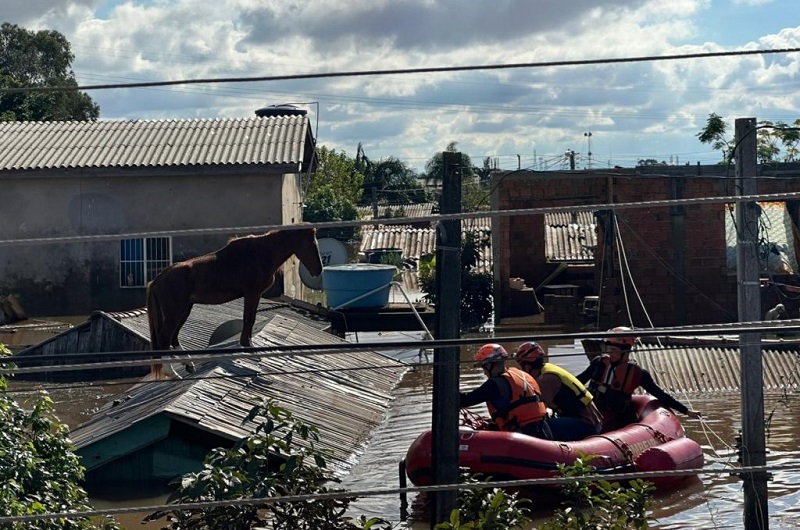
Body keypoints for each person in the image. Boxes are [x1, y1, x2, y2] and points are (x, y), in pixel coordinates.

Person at [576, 326, 701, 430]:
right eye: (608, 349)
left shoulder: (638, 373)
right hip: (594, 413)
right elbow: (579, 381)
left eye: (613, 350)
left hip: (619, 419)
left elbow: (660, 394)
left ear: (625, 352)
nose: (610, 353)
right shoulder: (598, 363)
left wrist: (686, 411)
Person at [459, 343, 553, 440]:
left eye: (484, 367)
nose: (484, 372)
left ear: (490, 364)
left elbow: (465, 400)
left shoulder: (494, 385)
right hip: (544, 432)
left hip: (522, 437)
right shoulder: (521, 375)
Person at [515, 341, 603, 441]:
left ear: (527, 366)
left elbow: (537, 412)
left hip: (587, 424)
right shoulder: (548, 369)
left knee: (537, 428)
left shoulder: (545, 380)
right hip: (588, 419)